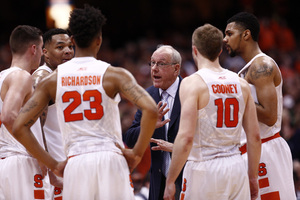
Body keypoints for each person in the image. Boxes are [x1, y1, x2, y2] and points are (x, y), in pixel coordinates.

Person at [12, 5, 158, 200]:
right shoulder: (115, 75)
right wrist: (136, 154)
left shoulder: (52, 80)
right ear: (99, 40)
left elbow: (19, 127)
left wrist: (53, 164)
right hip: (110, 159)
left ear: (72, 41)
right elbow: (151, 109)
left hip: (76, 162)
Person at [163, 24, 261, 200]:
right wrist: (253, 177)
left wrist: (170, 181)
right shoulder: (241, 83)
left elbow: (186, 138)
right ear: (220, 51)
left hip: (204, 168)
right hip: (236, 166)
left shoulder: (192, 83)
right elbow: (254, 136)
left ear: (195, 50)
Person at [223, 12, 296, 199]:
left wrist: (236, 99)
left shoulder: (261, 66)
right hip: (252, 149)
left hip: (267, 149)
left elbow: (270, 116)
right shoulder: (247, 69)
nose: (225, 39)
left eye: (229, 34)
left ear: (246, 34)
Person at [123, 44, 183, 200]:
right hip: (158, 181)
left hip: (187, 176)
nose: (154, 68)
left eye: (161, 64)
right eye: (152, 63)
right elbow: (129, 137)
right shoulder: (148, 95)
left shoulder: (190, 91)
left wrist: (176, 148)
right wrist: (148, 126)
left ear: (176, 69)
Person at [0, 25, 51, 199]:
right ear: (34, 49)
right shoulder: (21, 76)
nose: (43, 54)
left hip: (4, 163)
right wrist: (39, 155)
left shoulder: (2, 77)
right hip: (21, 161)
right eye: (41, 48)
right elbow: (8, 116)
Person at [32, 28, 74, 199]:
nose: (67, 51)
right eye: (60, 47)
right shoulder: (41, 78)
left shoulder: (63, 77)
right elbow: (33, 126)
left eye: (71, 46)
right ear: (45, 52)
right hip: (53, 167)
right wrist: (45, 163)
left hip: (67, 161)